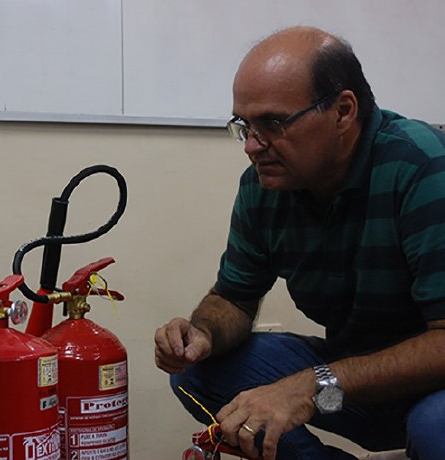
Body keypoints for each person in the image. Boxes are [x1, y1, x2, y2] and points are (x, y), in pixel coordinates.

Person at [154, 26, 445, 460]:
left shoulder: (422, 168)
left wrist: (310, 386)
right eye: (244, 125)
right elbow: (234, 298)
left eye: (272, 123)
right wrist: (202, 333)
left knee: (434, 427)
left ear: (343, 112)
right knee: (198, 374)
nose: (252, 146)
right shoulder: (264, 186)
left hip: (429, 389)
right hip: (349, 391)